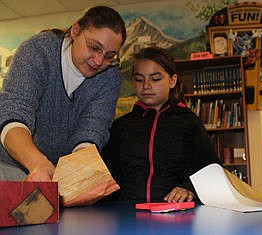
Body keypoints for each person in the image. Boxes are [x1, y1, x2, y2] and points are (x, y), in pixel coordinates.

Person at [0, 6, 127, 181]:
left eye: (109, 56)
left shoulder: (110, 77)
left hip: (60, 171)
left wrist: (79, 172)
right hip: (11, 163)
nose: (98, 61)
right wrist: (38, 163)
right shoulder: (38, 51)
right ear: (75, 31)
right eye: (93, 47)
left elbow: (92, 130)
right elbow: (13, 114)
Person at [101, 46, 220, 203]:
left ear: (172, 81)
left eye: (155, 79)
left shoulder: (189, 122)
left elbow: (210, 170)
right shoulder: (121, 126)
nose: (146, 86)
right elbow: (107, 177)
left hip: (176, 214)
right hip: (127, 214)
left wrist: (188, 188)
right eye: (138, 79)